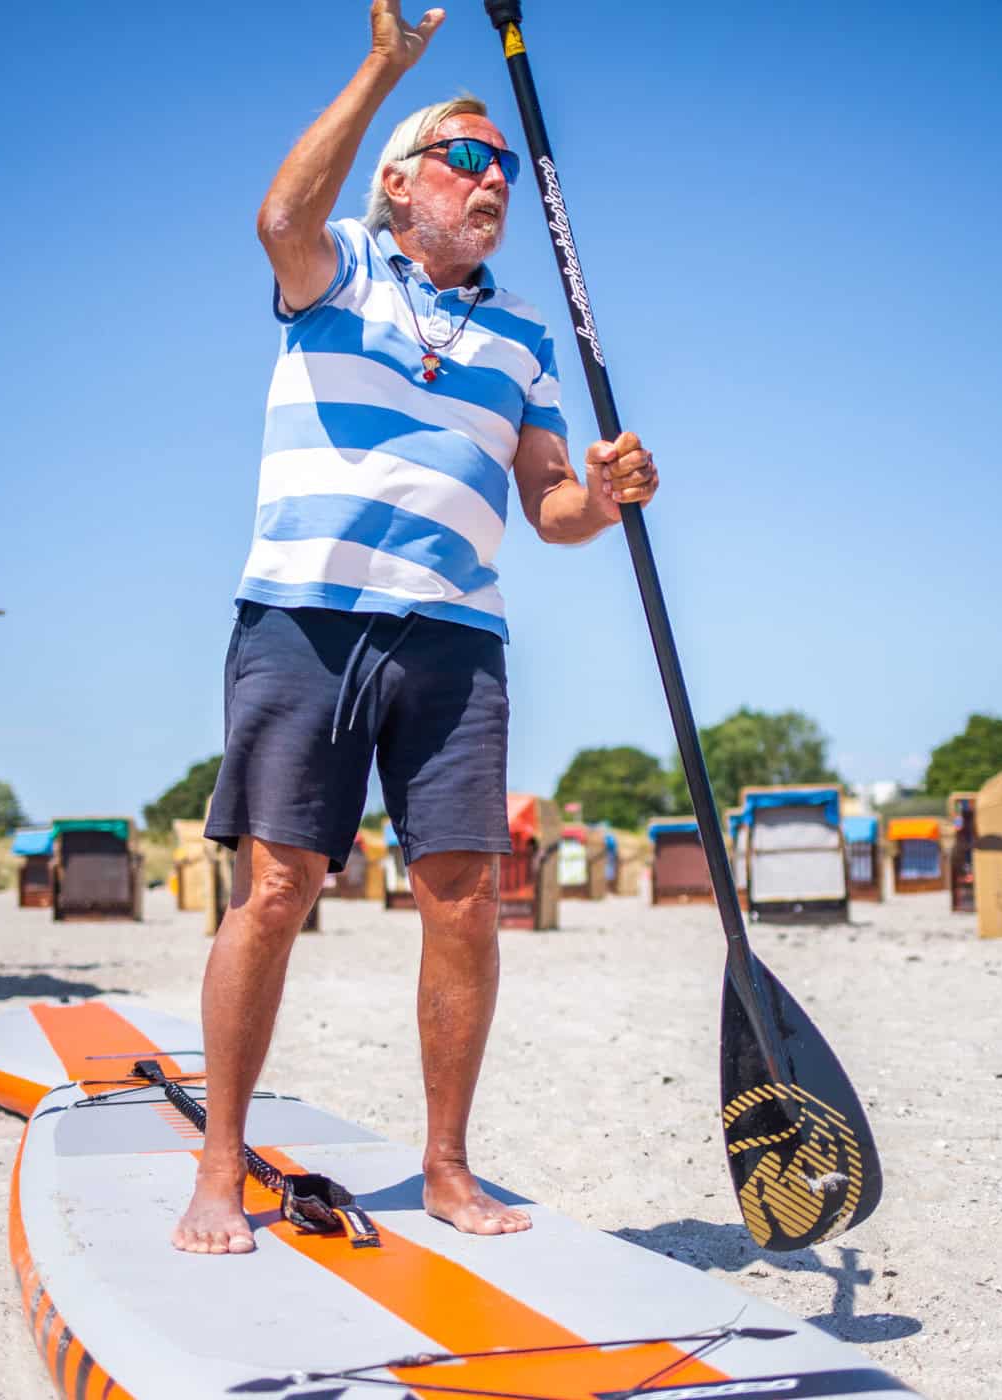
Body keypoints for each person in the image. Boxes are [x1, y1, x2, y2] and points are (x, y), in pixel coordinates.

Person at [174, 0, 657, 1255]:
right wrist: (388, 65)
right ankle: (219, 1162)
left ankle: (445, 1165)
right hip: (305, 618)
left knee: (464, 897)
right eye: (466, 159)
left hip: (454, 637)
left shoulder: (522, 337)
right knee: (276, 885)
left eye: (505, 166)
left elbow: (549, 506)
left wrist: (603, 494)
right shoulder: (334, 264)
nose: (492, 180)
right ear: (400, 183)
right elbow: (276, 218)